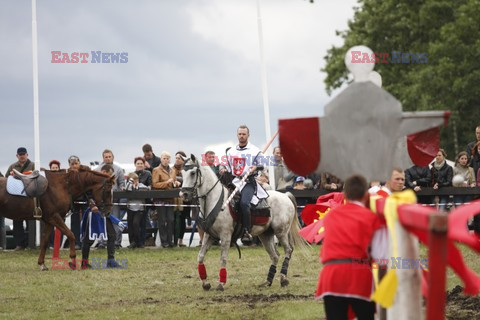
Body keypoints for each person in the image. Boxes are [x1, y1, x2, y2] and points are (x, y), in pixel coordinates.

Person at [316, 175, 381, 320]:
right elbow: (378, 253)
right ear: (366, 194)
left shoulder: (331, 215)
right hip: (358, 274)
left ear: (345, 194)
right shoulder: (370, 217)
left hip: (330, 276)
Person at [219, 125, 268, 243]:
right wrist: (222, 169)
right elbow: (224, 164)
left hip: (248, 182)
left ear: (248, 135)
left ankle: (246, 231)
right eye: (240, 134)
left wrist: (256, 167)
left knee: (244, 203)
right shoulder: (231, 151)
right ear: (237, 135)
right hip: (234, 181)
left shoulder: (255, 151)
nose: (241, 136)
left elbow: (264, 164)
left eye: (244, 134)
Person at [81, 164, 123, 269]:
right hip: (93, 212)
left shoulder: (106, 183)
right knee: (88, 239)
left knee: (112, 235)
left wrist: (108, 209)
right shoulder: (92, 181)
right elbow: (87, 194)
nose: (109, 177)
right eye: (108, 174)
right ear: (103, 172)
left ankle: (111, 262)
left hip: (104, 211)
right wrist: (92, 205)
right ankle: (84, 263)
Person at [95, 149, 125, 249]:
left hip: (114, 200)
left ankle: (116, 242)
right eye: (106, 157)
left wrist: (122, 188)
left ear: (113, 157)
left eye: (109, 156)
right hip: (101, 201)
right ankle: (102, 242)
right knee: (101, 221)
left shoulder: (119, 169)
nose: (108, 158)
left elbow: (122, 183)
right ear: (103, 158)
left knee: (115, 221)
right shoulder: (97, 170)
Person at [6, 147, 34, 250]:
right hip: (16, 199)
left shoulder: (33, 165)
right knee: (17, 222)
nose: (22, 156)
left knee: (30, 222)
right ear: (17, 156)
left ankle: (30, 243)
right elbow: (6, 179)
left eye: (24, 154)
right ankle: (19, 244)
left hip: (29, 198)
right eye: (20, 154)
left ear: (27, 155)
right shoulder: (12, 166)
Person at [152, 151, 179, 248]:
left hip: (170, 199)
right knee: (162, 220)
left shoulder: (172, 170)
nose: (166, 160)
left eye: (168, 158)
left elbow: (174, 182)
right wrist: (167, 182)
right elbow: (155, 184)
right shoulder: (156, 170)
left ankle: (170, 240)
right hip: (160, 198)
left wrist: (176, 184)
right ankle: (164, 242)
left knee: (171, 220)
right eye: (164, 158)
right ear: (161, 159)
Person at [125, 172, 149, 249]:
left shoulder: (142, 186)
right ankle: (132, 242)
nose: (135, 181)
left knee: (136, 223)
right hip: (130, 208)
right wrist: (130, 182)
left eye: (136, 179)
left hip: (140, 209)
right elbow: (127, 189)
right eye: (133, 180)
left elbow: (147, 189)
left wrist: (137, 188)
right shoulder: (128, 185)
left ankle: (138, 241)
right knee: (130, 225)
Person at [133, 157, 152, 248]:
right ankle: (134, 241)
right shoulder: (132, 174)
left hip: (144, 201)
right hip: (133, 202)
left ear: (144, 165)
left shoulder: (148, 174)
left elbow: (149, 186)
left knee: (143, 222)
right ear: (135, 165)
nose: (140, 165)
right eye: (138, 163)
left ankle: (142, 242)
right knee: (134, 223)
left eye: (141, 163)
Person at [172, 151, 189, 247]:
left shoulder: (187, 169)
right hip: (174, 197)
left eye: (179, 158)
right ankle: (174, 239)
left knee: (183, 219)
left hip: (185, 198)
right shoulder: (171, 169)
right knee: (174, 218)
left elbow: (188, 180)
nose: (177, 159)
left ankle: (180, 240)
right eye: (176, 158)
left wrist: (177, 179)